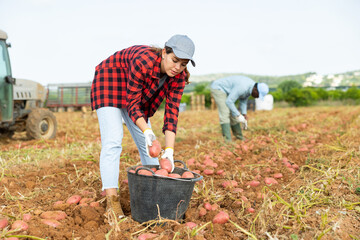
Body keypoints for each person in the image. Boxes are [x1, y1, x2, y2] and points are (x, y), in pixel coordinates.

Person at [90, 35, 195, 219]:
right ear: (164, 53)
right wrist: (146, 130)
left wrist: (169, 150)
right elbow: (132, 104)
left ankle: (155, 196)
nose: (177, 67)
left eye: (183, 64)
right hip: (110, 81)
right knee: (113, 140)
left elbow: (172, 113)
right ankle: (112, 203)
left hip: (134, 93)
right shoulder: (143, 62)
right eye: (175, 60)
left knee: (150, 146)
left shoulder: (179, 77)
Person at [210, 75, 269, 141]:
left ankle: (240, 137)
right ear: (255, 90)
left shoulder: (250, 88)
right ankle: (228, 141)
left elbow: (243, 101)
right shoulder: (243, 87)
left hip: (227, 91)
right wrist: (238, 115)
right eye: (258, 95)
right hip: (218, 88)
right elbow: (229, 101)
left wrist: (244, 114)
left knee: (233, 113)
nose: (257, 97)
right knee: (225, 113)